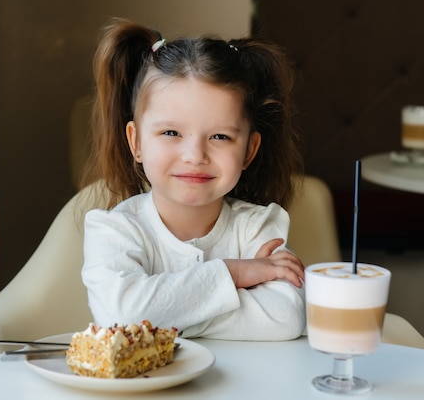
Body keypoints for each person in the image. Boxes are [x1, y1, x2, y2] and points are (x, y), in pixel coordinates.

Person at [80, 18, 305, 340]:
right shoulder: (114, 229)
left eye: (220, 136)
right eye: (171, 132)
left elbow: (286, 318)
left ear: (249, 149)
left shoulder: (257, 226)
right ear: (137, 143)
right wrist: (234, 273)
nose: (195, 155)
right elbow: (121, 315)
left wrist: (160, 316)